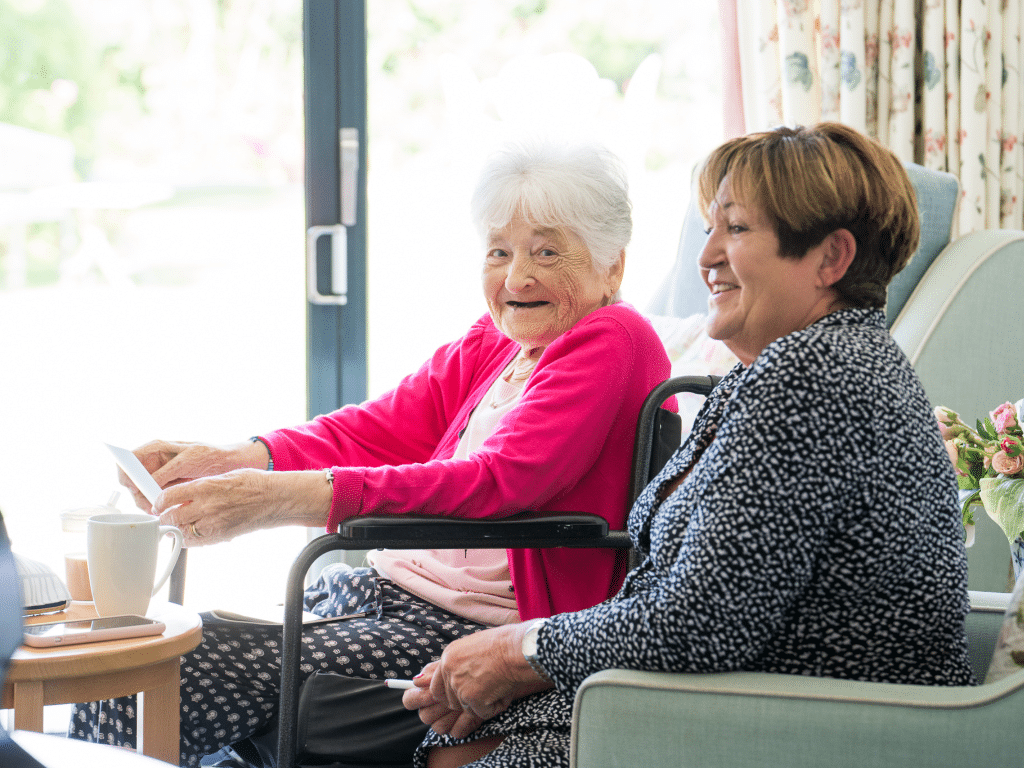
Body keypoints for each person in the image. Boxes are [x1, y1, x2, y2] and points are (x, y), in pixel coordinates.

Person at [67, 140, 673, 767]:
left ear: (612, 267)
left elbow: (502, 480)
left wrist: (280, 501)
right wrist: (234, 458)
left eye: (547, 252)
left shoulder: (614, 338)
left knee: (166, 659)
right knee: (137, 646)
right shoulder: (498, 341)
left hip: (468, 632)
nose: (517, 277)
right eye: (500, 251)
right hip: (378, 593)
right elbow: (377, 428)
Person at [402, 122, 977, 768]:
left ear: (830, 259)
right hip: (740, 702)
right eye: (709, 228)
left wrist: (518, 651)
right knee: (453, 737)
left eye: (735, 229)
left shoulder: (814, 378)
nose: (705, 257)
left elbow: (702, 623)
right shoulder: (795, 366)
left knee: (459, 748)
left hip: (805, 725)